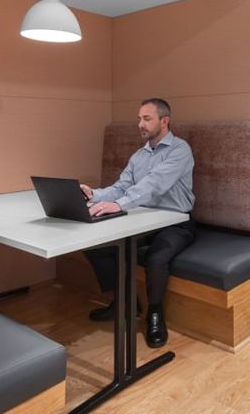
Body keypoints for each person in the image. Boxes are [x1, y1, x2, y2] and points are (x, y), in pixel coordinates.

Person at [81, 98, 195, 349]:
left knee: (156, 258)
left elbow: (155, 183)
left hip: (176, 222)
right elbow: (122, 186)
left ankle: (155, 313)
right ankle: (126, 303)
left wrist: (120, 205)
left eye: (147, 119)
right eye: (139, 119)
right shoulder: (138, 155)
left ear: (164, 121)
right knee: (96, 245)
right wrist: (94, 195)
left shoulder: (180, 150)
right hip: (144, 220)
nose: (140, 124)